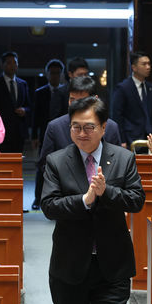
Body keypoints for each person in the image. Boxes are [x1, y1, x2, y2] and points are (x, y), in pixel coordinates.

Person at [41, 96, 145, 304]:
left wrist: (106, 193)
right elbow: (49, 205)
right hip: (70, 266)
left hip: (112, 266)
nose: (82, 133)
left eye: (89, 127)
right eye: (76, 127)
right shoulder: (57, 161)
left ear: (103, 128)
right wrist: (85, 199)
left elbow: (137, 200)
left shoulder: (124, 158)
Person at [35, 76, 122, 211]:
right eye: (72, 100)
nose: (75, 105)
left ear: (95, 99)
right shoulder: (55, 127)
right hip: (68, 200)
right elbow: (44, 164)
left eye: (81, 100)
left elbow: (117, 163)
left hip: (104, 199)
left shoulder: (110, 127)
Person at [112, 51, 152, 147]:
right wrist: (121, 139)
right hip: (131, 138)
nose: (148, 67)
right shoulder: (123, 88)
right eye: (144, 64)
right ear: (134, 67)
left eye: (149, 64)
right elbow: (117, 116)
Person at [0, 51, 30, 153]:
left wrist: (24, 110)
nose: (12, 65)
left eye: (14, 63)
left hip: (19, 131)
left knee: (18, 162)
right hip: (2, 130)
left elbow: (29, 105)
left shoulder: (23, 84)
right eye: (8, 63)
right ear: (2, 65)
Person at [33, 59, 66, 148]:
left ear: (61, 74)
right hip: (45, 132)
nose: (55, 76)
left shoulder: (66, 92)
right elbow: (36, 115)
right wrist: (34, 136)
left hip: (62, 132)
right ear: (47, 74)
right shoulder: (40, 93)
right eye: (52, 73)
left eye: (57, 73)